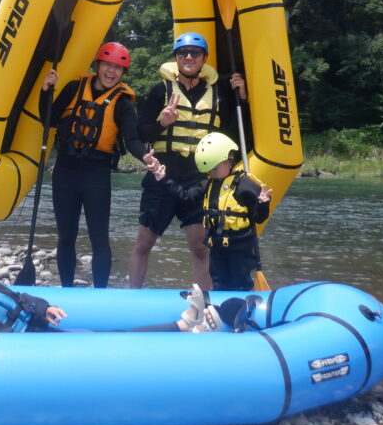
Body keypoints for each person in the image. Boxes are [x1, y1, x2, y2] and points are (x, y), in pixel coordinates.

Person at [0, 227, 223, 333]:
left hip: (38, 328)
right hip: (29, 347)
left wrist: (42, 307)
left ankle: (185, 324)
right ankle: (184, 326)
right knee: (113, 338)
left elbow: (18, 299)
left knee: (110, 331)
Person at [129, 32, 249, 289]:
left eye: (195, 53)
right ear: (175, 58)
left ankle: (205, 303)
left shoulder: (219, 93)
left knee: (201, 248)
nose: (189, 57)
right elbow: (141, 132)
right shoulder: (159, 91)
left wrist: (243, 98)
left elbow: (232, 132)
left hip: (199, 178)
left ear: (204, 58)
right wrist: (162, 123)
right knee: (143, 244)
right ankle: (132, 298)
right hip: (163, 174)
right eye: (183, 53)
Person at [40, 42, 146, 288]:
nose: (112, 72)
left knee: (99, 239)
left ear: (123, 74)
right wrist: (46, 91)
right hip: (65, 172)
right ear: (98, 65)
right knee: (66, 236)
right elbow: (50, 119)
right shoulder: (74, 88)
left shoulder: (122, 103)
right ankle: (67, 289)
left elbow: (132, 139)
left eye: (118, 68)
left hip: (96, 175)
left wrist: (146, 157)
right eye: (108, 65)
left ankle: (100, 294)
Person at [148, 132, 272, 291]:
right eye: (209, 170)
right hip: (216, 247)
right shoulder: (208, 185)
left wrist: (262, 203)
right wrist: (164, 179)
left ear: (228, 160)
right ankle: (217, 310)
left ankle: (240, 310)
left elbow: (259, 218)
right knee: (219, 282)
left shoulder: (246, 185)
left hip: (240, 249)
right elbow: (185, 196)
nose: (212, 173)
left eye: (215, 168)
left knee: (239, 283)